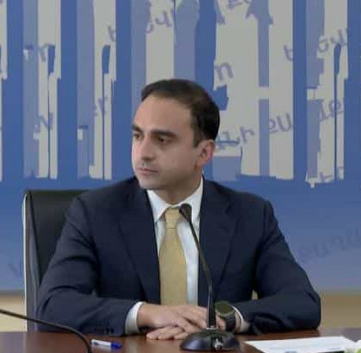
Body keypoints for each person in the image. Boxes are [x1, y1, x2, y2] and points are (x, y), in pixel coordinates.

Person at [37, 79, 320, 338]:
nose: (143, 152)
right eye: (137, 136)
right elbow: (52, 305)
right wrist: (149, 313)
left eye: (162, 140)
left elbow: (302, 302)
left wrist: (223, 318)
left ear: (204, 153)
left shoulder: (250, 215)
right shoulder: (95, 212)